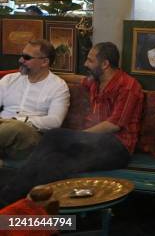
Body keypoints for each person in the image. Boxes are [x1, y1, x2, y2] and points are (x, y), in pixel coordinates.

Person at [0, 42, 144, 206]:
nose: (85, 64)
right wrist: (54, 76)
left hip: (117, 148)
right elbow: (79, 80)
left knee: (55, 135)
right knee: (52, 162)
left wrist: (81, 136)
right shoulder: (95, 82)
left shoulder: (128, 86)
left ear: (105, 64)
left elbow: (114, 124)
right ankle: (22, 208)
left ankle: (7, 201)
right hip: (93, 145)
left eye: (90, 61)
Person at [0, 40, 70, 161]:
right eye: (21, 55)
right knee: (9, 127)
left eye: (27, 57)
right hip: (3, 127)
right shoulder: (9, 79)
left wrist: (22, 120)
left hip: (31, 135)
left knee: (15, 127)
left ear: (44, 61)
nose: (21, 60)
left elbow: (55, 121)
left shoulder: (58, 86)